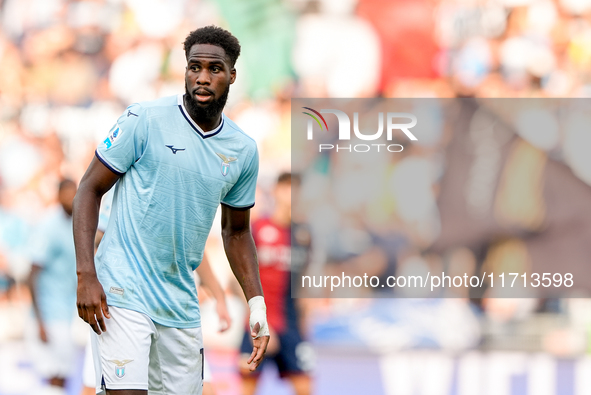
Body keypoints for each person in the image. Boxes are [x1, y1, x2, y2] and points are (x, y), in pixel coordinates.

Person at [73, 25, 269, 395]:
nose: (203, 77)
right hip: (121, 290)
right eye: (195, 67)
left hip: (179, 302)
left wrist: (255, 304)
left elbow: (237, 231)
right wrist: (86, 273)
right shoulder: (144, 119)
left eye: (214, 69)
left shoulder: (242, 150)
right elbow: (89, 189)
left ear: (232, 75)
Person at [240, 173, 312, 395]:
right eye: (286, 188)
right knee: (248, 381)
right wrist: (254, 319)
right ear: (276, 191)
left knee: (305, 386)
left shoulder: (304, 235)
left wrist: (305, 326)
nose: (291, 195)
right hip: (259, 320)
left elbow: (305, 282)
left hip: (290, 324)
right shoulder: (258, 229)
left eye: (296, 190)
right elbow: (241, 276)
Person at [27, 179, 78, 395]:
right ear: (57, 196)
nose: (71, 199)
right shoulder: (48, 225)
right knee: (52, 378)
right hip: (49, 313)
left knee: (64, 375)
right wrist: (40, 321)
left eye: (74, 193)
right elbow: (32, 274)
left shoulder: (78, 222)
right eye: (66, 194)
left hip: (67, 312)